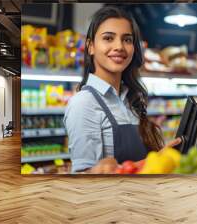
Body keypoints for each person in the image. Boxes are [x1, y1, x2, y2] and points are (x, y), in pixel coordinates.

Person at [63, 6, 181, 174]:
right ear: (90, 46)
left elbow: (132, 167)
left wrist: (160, 159)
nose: (119, 46)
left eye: (127, 40)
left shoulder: (130, 100)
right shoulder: (84, 103)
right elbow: (83, 177)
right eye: (108, 38)